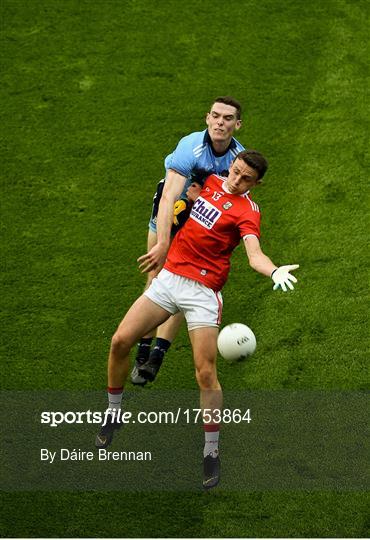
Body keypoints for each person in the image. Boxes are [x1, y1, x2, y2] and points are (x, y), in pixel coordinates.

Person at [95, 150, 299, 489]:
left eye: (245, 178)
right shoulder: (211, 182)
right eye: (235, 172)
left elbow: (254, 254)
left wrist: (274, 270)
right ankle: (114, 412)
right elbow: (178, 190)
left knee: (205, 373)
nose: (236, 180)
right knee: (119, 341)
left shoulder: (248, 213)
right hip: (170, 278)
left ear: (257, 184)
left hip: (203, 293)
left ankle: (211, 451)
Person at [132, 96, 245, 386]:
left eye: (228, 118)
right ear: (207, 118)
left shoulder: (239, 160)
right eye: (216, 116)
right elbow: (170, 196)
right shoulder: (190, 146)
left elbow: (234, 204)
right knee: (155, 277)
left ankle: (157, 356)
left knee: (182, 284)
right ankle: (142, 352)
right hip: (173, 208)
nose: (221, 122)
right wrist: (163, 245)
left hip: (202, 217)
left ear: (237, 124)